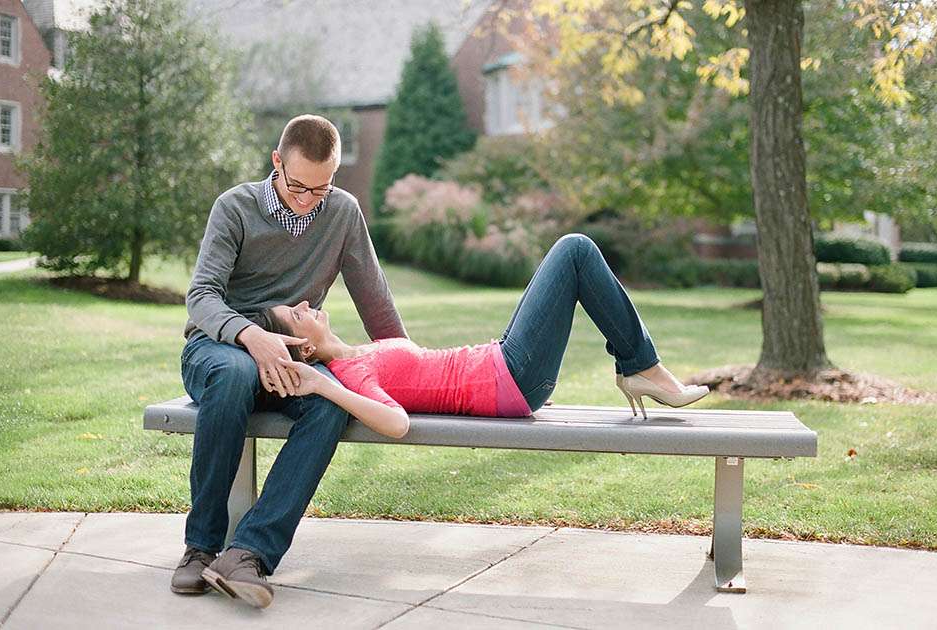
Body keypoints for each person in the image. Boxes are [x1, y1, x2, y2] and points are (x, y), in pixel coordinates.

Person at [172, 115, 407, 609]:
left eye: (320, 189)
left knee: (329, 403)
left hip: (291, 360)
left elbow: (376, 303)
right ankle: (201, 548)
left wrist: (412, 367)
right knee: (235, 375)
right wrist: (254, 334)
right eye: (297, 185)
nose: (307, 200)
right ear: (276, 162)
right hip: (218, 349)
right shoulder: (234, 207)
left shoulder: (341, 212)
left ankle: (249, 553)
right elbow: (201, 297)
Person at [261, 233, 709, 441]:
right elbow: (396, 424)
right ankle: (642, 367)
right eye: (295, 315)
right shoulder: (348, 373)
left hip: (503, 366)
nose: (305, 305)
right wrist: (321, 384)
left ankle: (640, 367)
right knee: (575, 250)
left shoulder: (359, 352)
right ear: (303, 347)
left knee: (574, 252)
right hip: (511, 376)